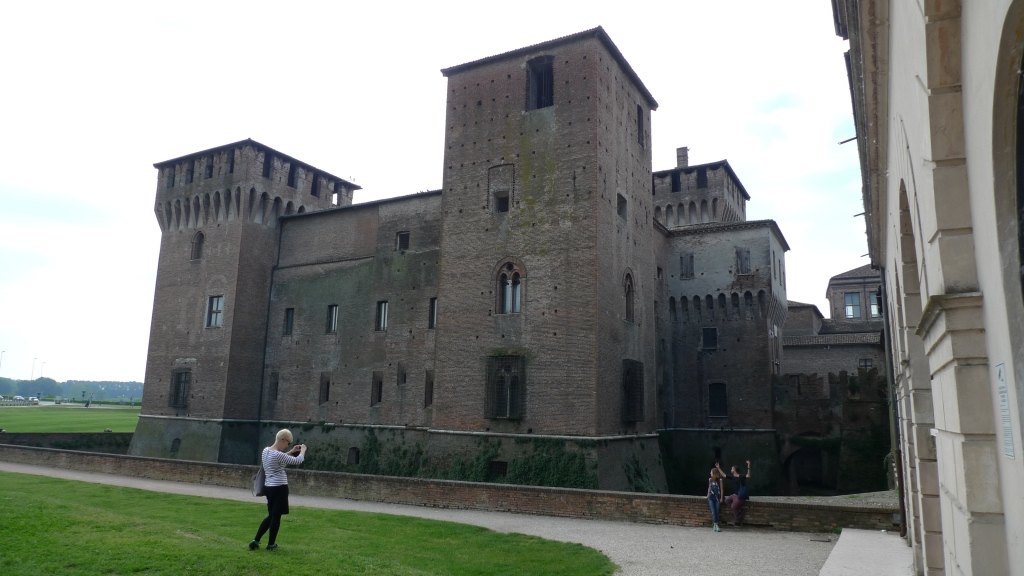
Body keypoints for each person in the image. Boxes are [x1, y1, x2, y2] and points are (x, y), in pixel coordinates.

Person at [249, 429, 306, 551]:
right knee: (276, 517)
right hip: (280, 487)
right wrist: (303, 451)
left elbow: (281, 459)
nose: (287, 446)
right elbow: (298, 460)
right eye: (288, 443)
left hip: (269, 487)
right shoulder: (278, 455)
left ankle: (256, 541)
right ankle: (271, 545)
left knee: (271, 516)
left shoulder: (266, 451)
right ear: (283, 440)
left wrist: (292, 451)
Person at [719, 460, 751, 525]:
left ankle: (738, 520)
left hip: (740, 495)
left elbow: (748, 475)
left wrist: (748, 466)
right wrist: (718, 468)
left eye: (732, 469)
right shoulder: (733, 477)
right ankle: (739, 511)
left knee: (733, 507)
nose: (731, 470)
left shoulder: (741, 476)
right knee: (726, 501)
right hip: (734, 495)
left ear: (734, 470)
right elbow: (724, 475)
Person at [706, 466, 725, 532]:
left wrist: (721, 498)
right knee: (713, 511)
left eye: (711, 472)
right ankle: (716, 524)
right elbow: (709, 488)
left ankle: (715, 524)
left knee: (717, 511)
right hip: (711, 497)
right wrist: (707, 495)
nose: (710, 473)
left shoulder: (720, 480)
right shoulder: (710, 480)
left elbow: (721, 489)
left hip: (717, 498)